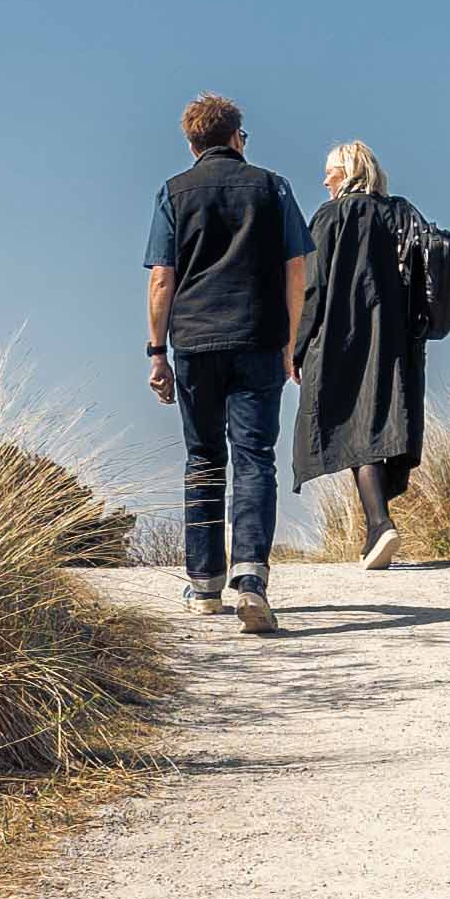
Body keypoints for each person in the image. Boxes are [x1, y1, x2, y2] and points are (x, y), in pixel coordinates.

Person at [142, 93, 305, 632]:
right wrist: (291, 342)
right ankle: (251, 579)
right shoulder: (272, 186)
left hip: (194, 341)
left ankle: (205, 585)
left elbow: (162, 278)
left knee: (204, 457)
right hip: (258, 337)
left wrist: (157, 351)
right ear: (238, 137)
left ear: (191, 144)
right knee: (255, 455)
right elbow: (296, 270)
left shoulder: (172, 193)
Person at [291, 137, 436, 564]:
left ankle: (379, 525)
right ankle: (376, 525)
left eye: (330, 172)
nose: (324, 180)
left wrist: (296, 347)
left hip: (344, 338)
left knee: (356, 428)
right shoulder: (403, 214)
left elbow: (311, 288)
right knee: (390, 424)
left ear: (347, 172)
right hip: (399, 339)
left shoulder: (330, 217)